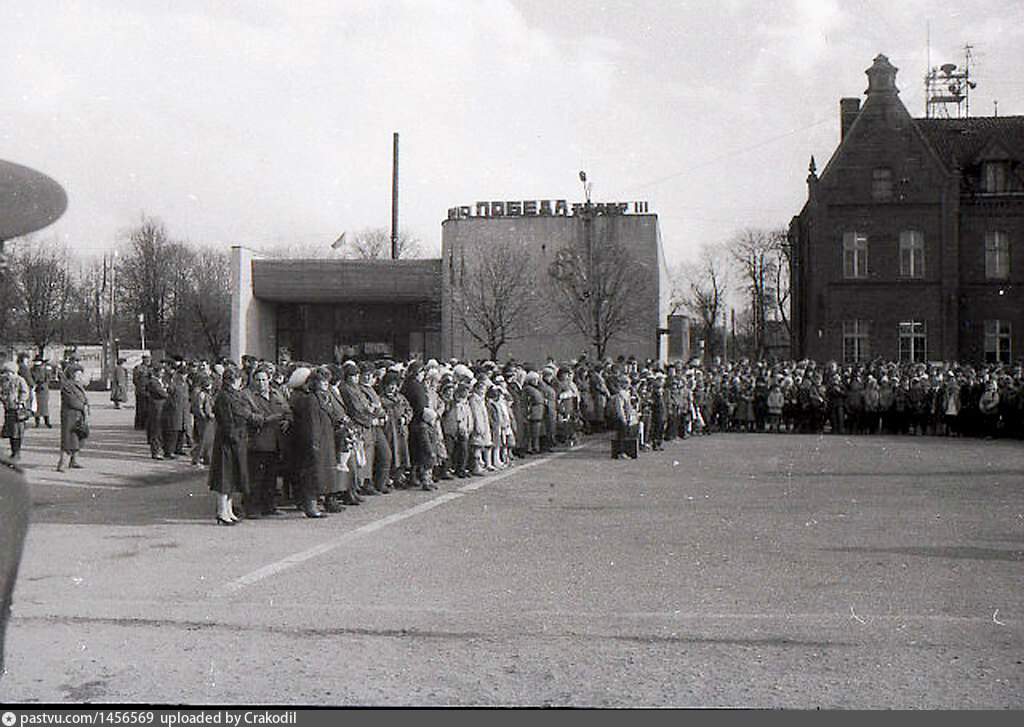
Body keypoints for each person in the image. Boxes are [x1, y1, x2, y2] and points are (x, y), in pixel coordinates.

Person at [208, 367, 264, 525]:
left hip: (234, 440)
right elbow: (227, 421)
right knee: (224, 479)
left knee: (231, 478)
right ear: (235, 379)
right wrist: (235, 436)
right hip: (229, 442)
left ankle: (228, 510)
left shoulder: (230, 395)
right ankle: (221, 511)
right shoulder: (225, 397)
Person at [244, 365, 291, 518]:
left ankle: (269, 506)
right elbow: (249, 417)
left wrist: (287, 420)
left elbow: (287, 410)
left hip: (275, 441)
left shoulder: (276, 394)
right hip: (257, 442)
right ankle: (253, 508)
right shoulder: (248, 396)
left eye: (264, 379)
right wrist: (270, 418)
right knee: (256, 478)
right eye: (258, 380)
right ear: (253, 381)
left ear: (269, 380)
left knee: (271, 477)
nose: (261, 383)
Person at [56, 364, 89, 472]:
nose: (79, 376)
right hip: (70, 415)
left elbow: (83, 398)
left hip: (78, 415)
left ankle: (74, 461)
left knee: (79, 436)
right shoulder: (67, 386)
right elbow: (71, 401)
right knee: (68, 439)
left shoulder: (77, 385)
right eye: (77, 373)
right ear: (72, 374)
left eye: (80, 373)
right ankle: (62, 463)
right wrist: (82, 406)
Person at [1, 362, 32, 461]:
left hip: (18, 409)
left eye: (10, 372)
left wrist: (21, 401)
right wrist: (3, 398)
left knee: (17, 431)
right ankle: (13, 451)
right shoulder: (4, 380)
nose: (8, 374)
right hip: (8, 408)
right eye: (6, 372)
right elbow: (2, 392)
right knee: (10, 431)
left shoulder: (20, 380)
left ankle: (16, 452)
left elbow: (25, 392)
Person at [31, 356, 55, 428]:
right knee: (37, 406)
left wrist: (44, 384)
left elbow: (48, 378)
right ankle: (39, 422)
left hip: (43, 388)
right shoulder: (33, 369)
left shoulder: (43, 369)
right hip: (37, 387)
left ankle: (46, 422)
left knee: (43, 406)